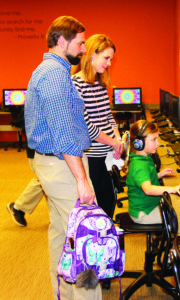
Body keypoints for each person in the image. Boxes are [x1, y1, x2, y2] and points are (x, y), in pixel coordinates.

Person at [24, 16, 102, 300]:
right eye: (80, 43)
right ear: (61, 41)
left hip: (54, 163)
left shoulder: (50, 70)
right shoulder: (55, 75)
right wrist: (82, 180)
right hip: (63, 166)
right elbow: (63, 132)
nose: (83, 49)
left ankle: (64, 296)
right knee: (85, 240)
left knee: (62, 234)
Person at [71, 34, 122, 218]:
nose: (109, 63)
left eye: (111, 59)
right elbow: (87, 126)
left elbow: (108, 116)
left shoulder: (100, 83)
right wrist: (112, 142)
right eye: (106, 58)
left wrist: (117, 138)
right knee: (98, 206)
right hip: (92, 156)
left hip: (108, 154)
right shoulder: (76, 84)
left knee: (110, 200)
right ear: (92, 55)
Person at [126, 120, 180, 224]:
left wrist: (159, 175)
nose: (158, 143)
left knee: (178, 209)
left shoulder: (143, 157)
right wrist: (173, 189)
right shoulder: (139, 165)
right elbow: (147, 189)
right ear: (139, 143)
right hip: (144, 213)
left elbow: (143, 179)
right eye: (154, 140)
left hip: (148, 206)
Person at [7, 108, 46, 227]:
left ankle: (57, 219)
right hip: (38, 150)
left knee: (48, 183)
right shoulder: (33, 98)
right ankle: (18, 207)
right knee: (44, 180)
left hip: (49, 150)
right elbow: (25, 125)